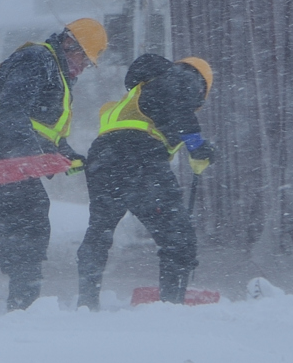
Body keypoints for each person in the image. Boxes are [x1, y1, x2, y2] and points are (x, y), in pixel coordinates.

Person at [0, 18, 107, 310]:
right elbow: (11, 109)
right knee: (24, 219)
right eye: (84, 59)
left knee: (29, 218)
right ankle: (22, 297)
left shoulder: (56, 73)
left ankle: (23, 293)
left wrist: (66, 154)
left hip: (9, 147)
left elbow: (44, 128)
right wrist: (30, 153)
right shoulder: (37, 60)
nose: (83, 68)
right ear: (70, 45)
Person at [76, 54, 215, 310]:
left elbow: (166, 112)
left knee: (100, 231)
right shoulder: (181, 79)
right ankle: (171, 307)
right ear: (200, 85)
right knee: (178, 238)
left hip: (102, 159)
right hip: (140, 158)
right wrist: (198, 148)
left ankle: (86, 302)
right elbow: (179, 105)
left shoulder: (140, 93)